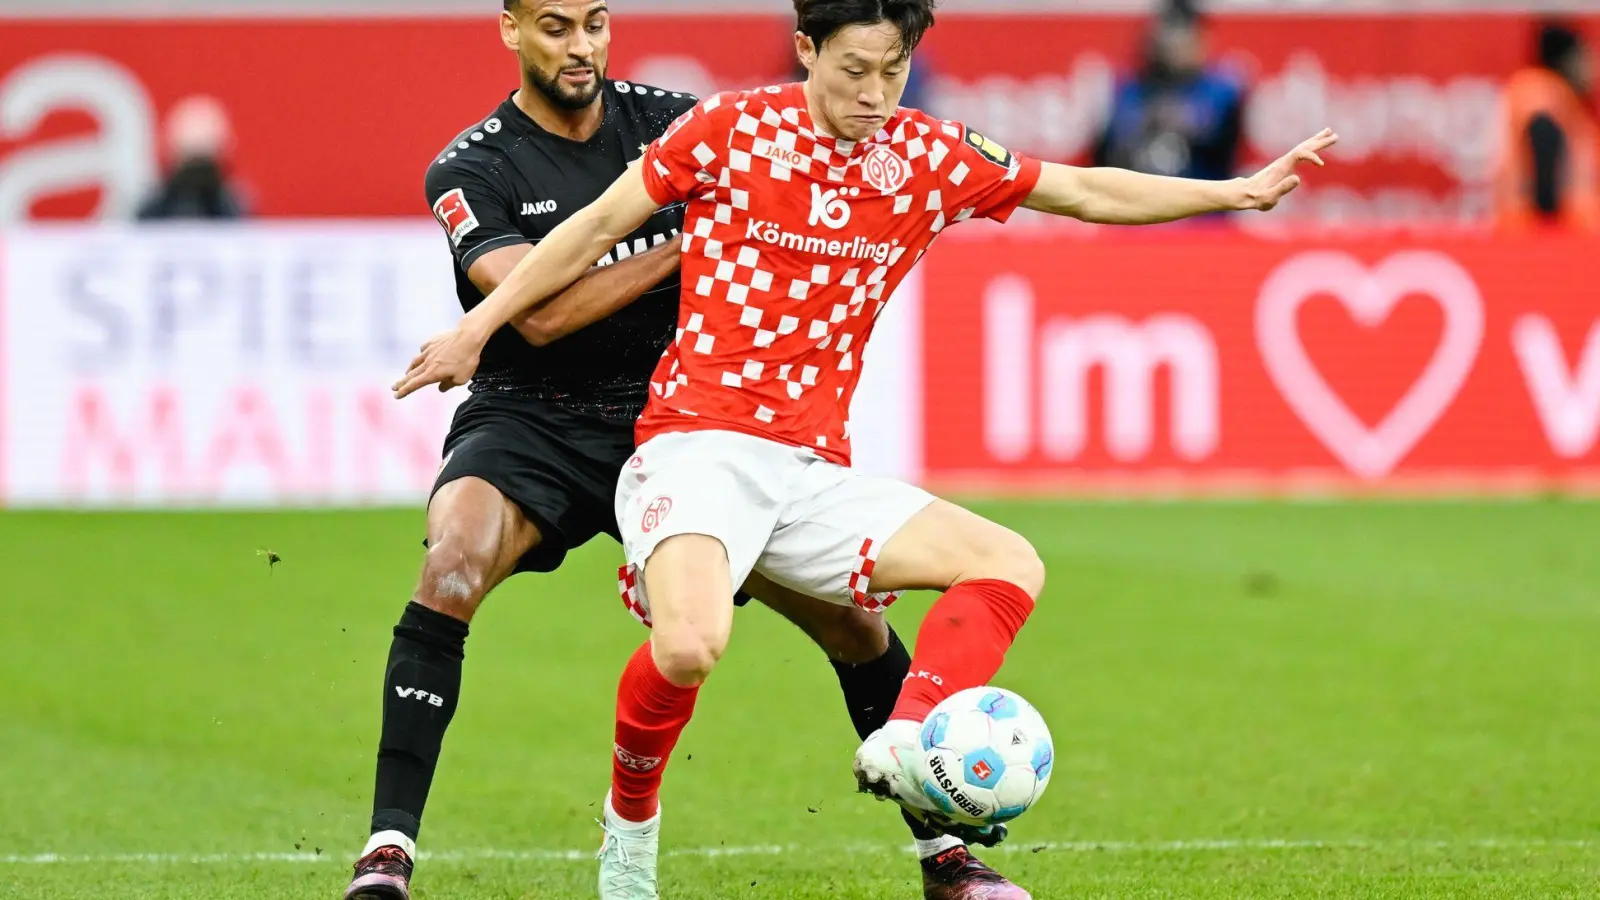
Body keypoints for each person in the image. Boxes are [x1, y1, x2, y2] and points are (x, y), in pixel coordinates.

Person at [391, 1, 1336, 897]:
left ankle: (912, 741)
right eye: (854, 70)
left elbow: (1081, 186)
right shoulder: (726, 130)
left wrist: (1237, 191)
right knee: (688, 647)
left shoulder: (928, 153)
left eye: (895, 70)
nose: (876, 93)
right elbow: (595, 228)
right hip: (693, 446)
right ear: (806, 51)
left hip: (808, 470)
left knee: (1008, 564)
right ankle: (629, 839)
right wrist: (482, 329)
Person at [346, 3, 1011, 899]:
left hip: (682, 417)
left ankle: (945, 856)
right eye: (554, 27)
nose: (579, 46)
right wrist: (697, 239)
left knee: (853, 620)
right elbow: (537, 314)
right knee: (454, 564)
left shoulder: (669, 119)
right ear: (510, 32)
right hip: (531, 420)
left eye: (593, 23)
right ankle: (388, 853)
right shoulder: (473, 165)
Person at [1092, 0, 1246, 189]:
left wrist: (1179, 121)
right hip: (1140, 207)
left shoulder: (1222, 89)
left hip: (1204, 209)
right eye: (1168, 30)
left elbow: (1222, 143)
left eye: (1183, 32)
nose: (1174, 42)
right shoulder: (1130, 88)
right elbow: (1104, 152)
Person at [1495, 21, 1599, 231]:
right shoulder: (1543, 95)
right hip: (1550, 234)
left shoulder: (1556, 97)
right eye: (1584, 57)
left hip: (1541, 231)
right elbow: (1544, 145)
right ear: (1567, 60)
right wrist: (1549, 223)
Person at [136, 95, 248, 221]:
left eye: (205, 170)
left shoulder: (233, 209)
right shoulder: (154, 211)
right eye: (190, 170)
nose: (197, 179)